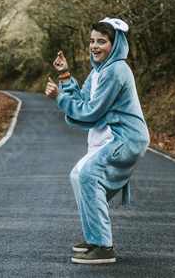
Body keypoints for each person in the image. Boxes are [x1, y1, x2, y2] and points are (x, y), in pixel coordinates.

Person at [45, 17, 150, 264]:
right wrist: (64, 74)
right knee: (77, 175)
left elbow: (92, 112)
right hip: (110, 136)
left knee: (89, 177)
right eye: (92, 41)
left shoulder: (117, 70)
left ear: (114, 45)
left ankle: (104, 247)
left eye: (101, 41)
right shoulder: (98, 71)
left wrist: (60, 98)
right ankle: (95, 238)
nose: (94, 46)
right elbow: (82, 101)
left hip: (126, 137)